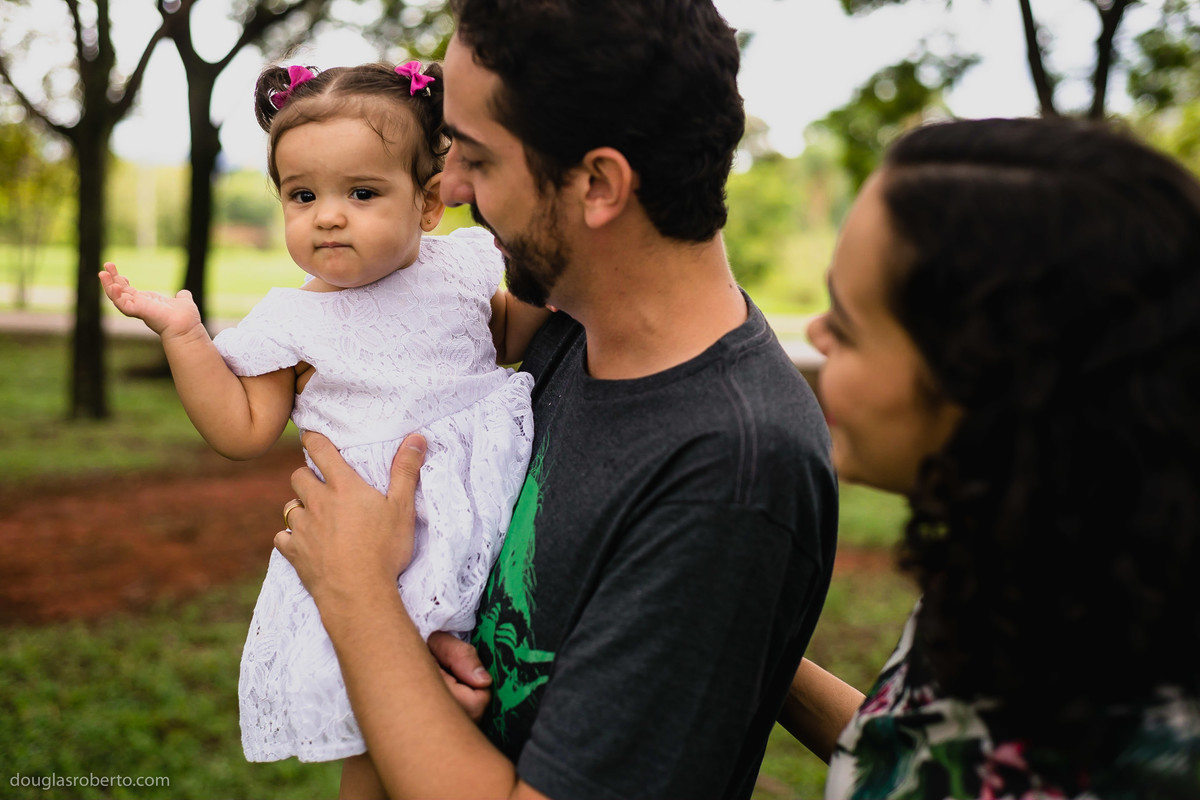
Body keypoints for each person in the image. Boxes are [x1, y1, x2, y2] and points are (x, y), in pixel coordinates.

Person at [273, 1, 839, 798]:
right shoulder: (563, 334)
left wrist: (358, 597)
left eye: (477, 157)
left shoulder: (728, 468)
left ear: (599, 183)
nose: (455, 188)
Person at [99, 60, 548, 799]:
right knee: (382, 730)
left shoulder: (461, 264)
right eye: (301, 196)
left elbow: (506, 335)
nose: (327, 215)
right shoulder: (293, 319)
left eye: (361, 193)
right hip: (384, 543)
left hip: (490, 509)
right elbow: (243, 428)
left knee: (484, 699)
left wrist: (547, 283)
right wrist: (184, 336)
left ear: (429, 201)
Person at [789, 116, 1200, 799]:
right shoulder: (1031, 569)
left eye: (850, 324)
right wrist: (758, 662)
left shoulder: (1152, 749)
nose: (817, 332)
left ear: (980, 381)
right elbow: (928, 761)